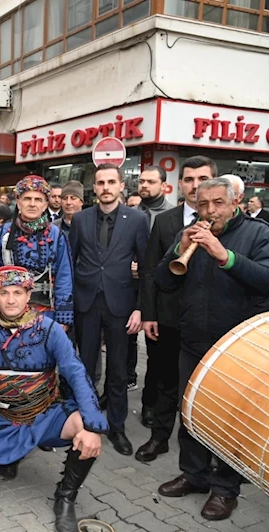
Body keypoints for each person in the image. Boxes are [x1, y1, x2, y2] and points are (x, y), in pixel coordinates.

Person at [0, 266, 107, 532]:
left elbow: (75, 372)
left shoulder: (49, 329)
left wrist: (94, 425)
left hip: (45, 415)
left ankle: (65, 497)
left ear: (29, 295)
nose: (11, 300)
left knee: (84, 430)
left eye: (17, 292)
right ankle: (8, 456)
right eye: (4, 293)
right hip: (4, 415)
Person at [155, 177, 269, 521]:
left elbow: (265, 279)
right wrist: (180, 249)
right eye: (203, 204)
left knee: (231, 418)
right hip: (193, 338)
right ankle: (194, 474)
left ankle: (225, 488)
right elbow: (162, 280)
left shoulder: (258, 233)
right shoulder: (186, 232)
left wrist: (225, 256)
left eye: (218, 203)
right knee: (190, 411)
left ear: (235, 202)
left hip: (237, 347)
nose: (209, 211)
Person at [69, 163, 149, 457]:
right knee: (85, 368)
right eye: (100, 182)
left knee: (117, 370)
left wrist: (140, 308)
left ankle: (116, 426)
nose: (105, 187)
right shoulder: (80, 219)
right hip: (86, 304)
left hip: (121, 305)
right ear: (95, 187)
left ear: (120, 186)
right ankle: (86, 422)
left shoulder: (137, 220)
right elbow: (70, 262)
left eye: (110, 182)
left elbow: (147, 268)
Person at [136, 155, 211, 463]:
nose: (195, 186)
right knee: (166, 381)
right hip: (167, 318)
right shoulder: (166, 221)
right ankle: (159, 438)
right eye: (189, 179)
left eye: (202, 179)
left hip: (208, 321)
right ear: (179, 184)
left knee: (204, 390)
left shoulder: (225, 220)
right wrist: (149, 314)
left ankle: (206, 449)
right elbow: (150, 270)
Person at [0, 175, 73, 329]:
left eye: (38, 200)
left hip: (47, 312)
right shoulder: (3, 233)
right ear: (18, 202)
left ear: (45, 205)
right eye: (27, 198)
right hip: (8, 312)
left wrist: (63, 318)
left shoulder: (56, 235)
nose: (32, 204)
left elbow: (64, 276)